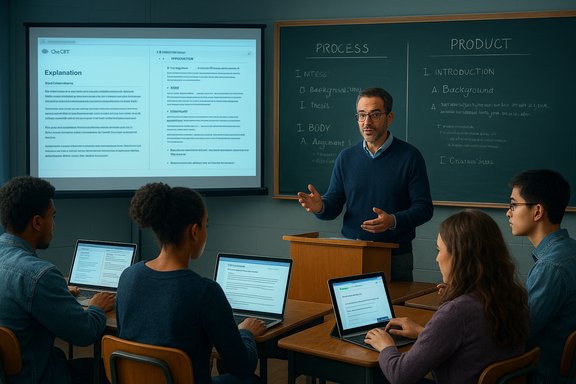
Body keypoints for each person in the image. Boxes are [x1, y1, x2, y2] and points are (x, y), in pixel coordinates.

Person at [116, 182, 266, 384]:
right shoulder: (205, 291)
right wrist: (246, 332)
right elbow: (241, 364)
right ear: (194, 231)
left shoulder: (128, 276)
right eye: (206, 225)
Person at [364, 209, 529, 384]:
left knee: (380, 374)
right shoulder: (512, 296)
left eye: (439, 250)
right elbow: (471, 342)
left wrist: (386, 345)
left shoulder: (458, 311)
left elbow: (400, 375)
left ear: (459, 256)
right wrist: (423, 332)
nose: (436, 258)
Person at [297, 87, 433, 281]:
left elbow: (424, 208)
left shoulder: (410, 157)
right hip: (352, 253)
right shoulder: (346, 157)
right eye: (362, 115)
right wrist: (321, 207)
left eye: (375, 115)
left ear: (389, 117)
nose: (367, 122)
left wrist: (392, 221)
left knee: (396, 310)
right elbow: (334, 205)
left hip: (395, 257)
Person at [0, 175, 115, 384]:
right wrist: (97, 307)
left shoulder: (33, 276)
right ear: (37, 222)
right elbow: (85, 333)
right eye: (52, 216)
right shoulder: (40, 276)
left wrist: (57, 290)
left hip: (10, 376)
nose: (54, 224)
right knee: (110, 369)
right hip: (40, 376)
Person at [507, 169, 576, 383]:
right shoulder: (570, 250)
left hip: (542, 374)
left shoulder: (551, 267)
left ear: (537, 212)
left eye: (513, 205)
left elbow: (517, 333)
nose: (508, 213)